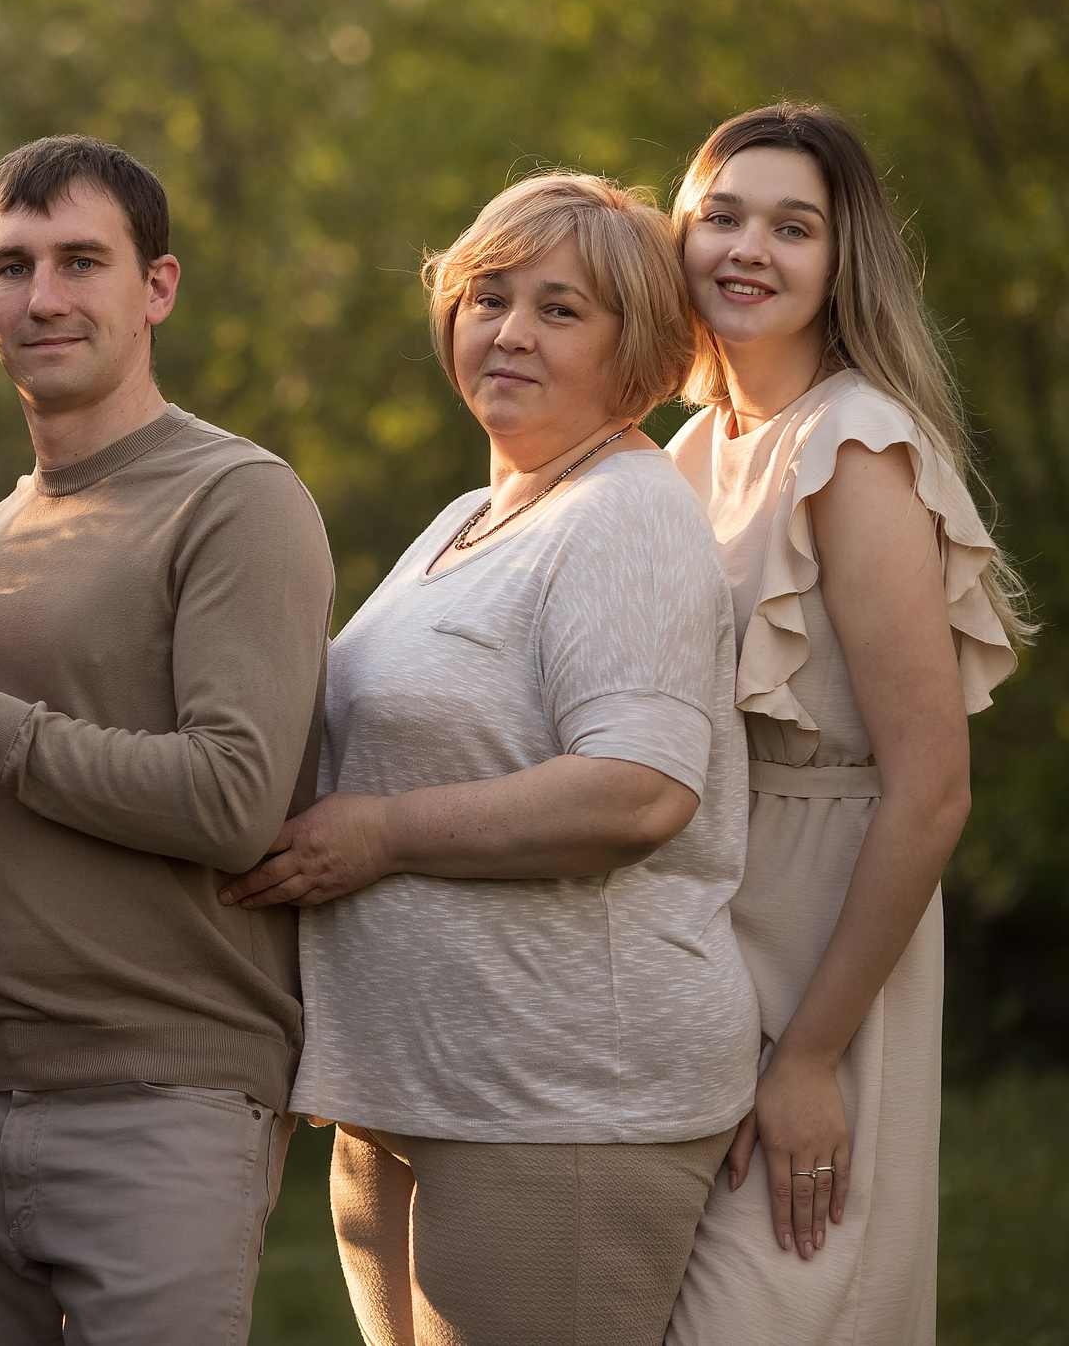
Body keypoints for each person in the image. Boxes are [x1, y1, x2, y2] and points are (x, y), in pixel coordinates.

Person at [0, 135, 335, 1343]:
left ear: (158, 288)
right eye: (12, 265)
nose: (45, 296)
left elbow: (232, 798)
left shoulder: (237, 501)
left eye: (82, 261)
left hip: (164, 1096)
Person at [226, 172, 760, 1346]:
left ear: (643, 350)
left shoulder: (624, 510)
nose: (508, 329)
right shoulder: (471, 517)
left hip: (561, 1093)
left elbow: (637, 790)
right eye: (487, 295)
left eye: (560, 309)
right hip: (415, 1086)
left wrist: (379, 833)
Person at [661, 105, 1023, 1345]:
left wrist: (811, 1057)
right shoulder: (695, 448)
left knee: (778, 1311)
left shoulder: (856, 446)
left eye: (791, 226)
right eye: (721, 215)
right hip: (701, 932)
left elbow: (931, 789)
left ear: (838, 259)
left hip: (825, 938)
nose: (747, 247)